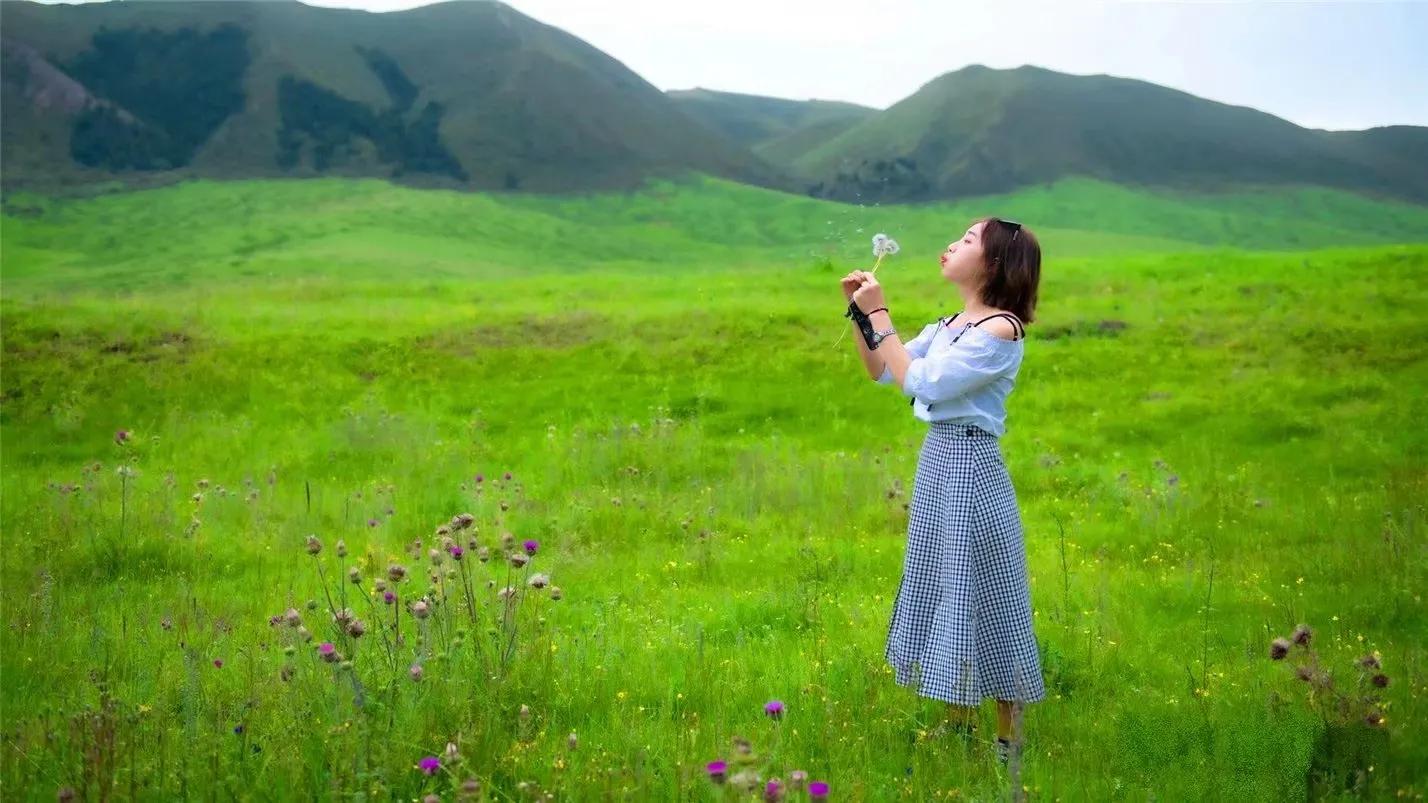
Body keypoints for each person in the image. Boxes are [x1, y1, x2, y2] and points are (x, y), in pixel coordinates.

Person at [840, 216, 1045, 766]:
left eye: (969, 239)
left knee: (989, 592)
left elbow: (923, 382)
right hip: (939, 463)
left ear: (995, 263)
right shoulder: (949, 324)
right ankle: (959, 728)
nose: (952, 244)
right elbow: (883, 371)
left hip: (973, 468)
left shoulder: (1001, 330)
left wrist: (881, 313)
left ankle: (1008, 743)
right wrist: (861, 315)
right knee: (944, 586)